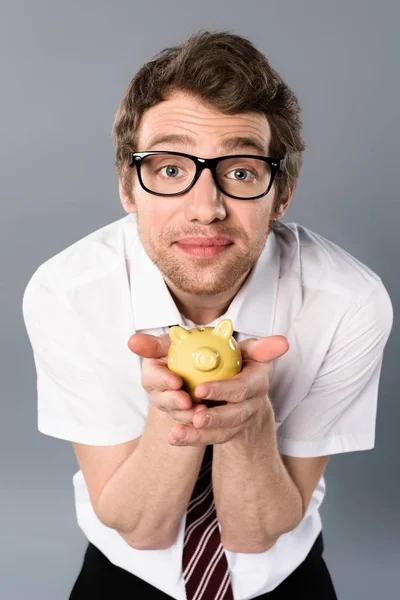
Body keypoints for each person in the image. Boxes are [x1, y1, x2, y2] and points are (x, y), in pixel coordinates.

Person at [22, 30, 393, 600]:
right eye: (170, 170)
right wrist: (176, 412)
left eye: (241, 172)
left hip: (281, 574)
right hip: (125, 573)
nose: (206, 208)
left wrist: (249, 420)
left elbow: (255, 534)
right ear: (128, 185)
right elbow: (141, 530)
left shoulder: (346, 303)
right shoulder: (67, 293)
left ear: (282, 193)